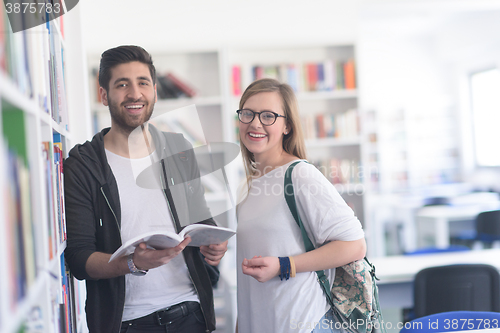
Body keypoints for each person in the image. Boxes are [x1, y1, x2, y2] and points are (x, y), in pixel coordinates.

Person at [64, 45, 227, 333]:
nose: (135, 94)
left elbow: (199, 218)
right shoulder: (83, 164)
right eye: (122, 84)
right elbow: (79, 258)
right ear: (103, 95)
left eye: (143, 83)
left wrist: (215, 244)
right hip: (126, 322)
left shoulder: (178, 147)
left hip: (191, 312)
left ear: (153, 91)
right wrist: (132, 263)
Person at [235, 78, 366, 333]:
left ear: (287, 126)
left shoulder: (299, 174)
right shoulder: (251, 184)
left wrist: (285, 265)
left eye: (268, 116)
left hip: (301, 324)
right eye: (248, 113)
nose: (255, 123)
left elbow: (355, 245)